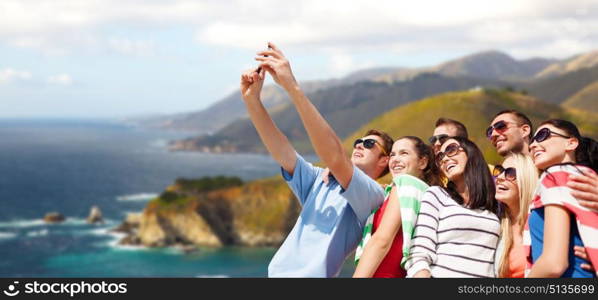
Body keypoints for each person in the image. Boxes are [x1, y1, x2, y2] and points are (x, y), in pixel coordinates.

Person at [241, 42, 392, 277]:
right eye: (358, 142)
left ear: (384, 161)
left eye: (370, 144)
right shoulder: (321, 180)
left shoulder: (373, 196)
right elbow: (282, 150)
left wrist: (292, 87)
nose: (361, 145)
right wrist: (252, 101)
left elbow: (335, 156)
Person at [405, 137, 500, 277]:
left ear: (471, 153)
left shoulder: (495, 204)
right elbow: (419, 252)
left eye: (451, 150)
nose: (444, 159)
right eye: (440, 157)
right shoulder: (437, 195)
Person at [353, 136, 441, 278]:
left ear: (422, 162)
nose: (395, 159)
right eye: (392, 154)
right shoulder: (426, 193)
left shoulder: (405, 183)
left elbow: (381, 240)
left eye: (404, 153)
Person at [524, 119, 598, 277]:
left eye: (543, 135)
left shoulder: (556, 175)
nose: (532, 145)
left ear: (571, 143)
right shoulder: (586, 178)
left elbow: (554, 264)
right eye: (532, 141)